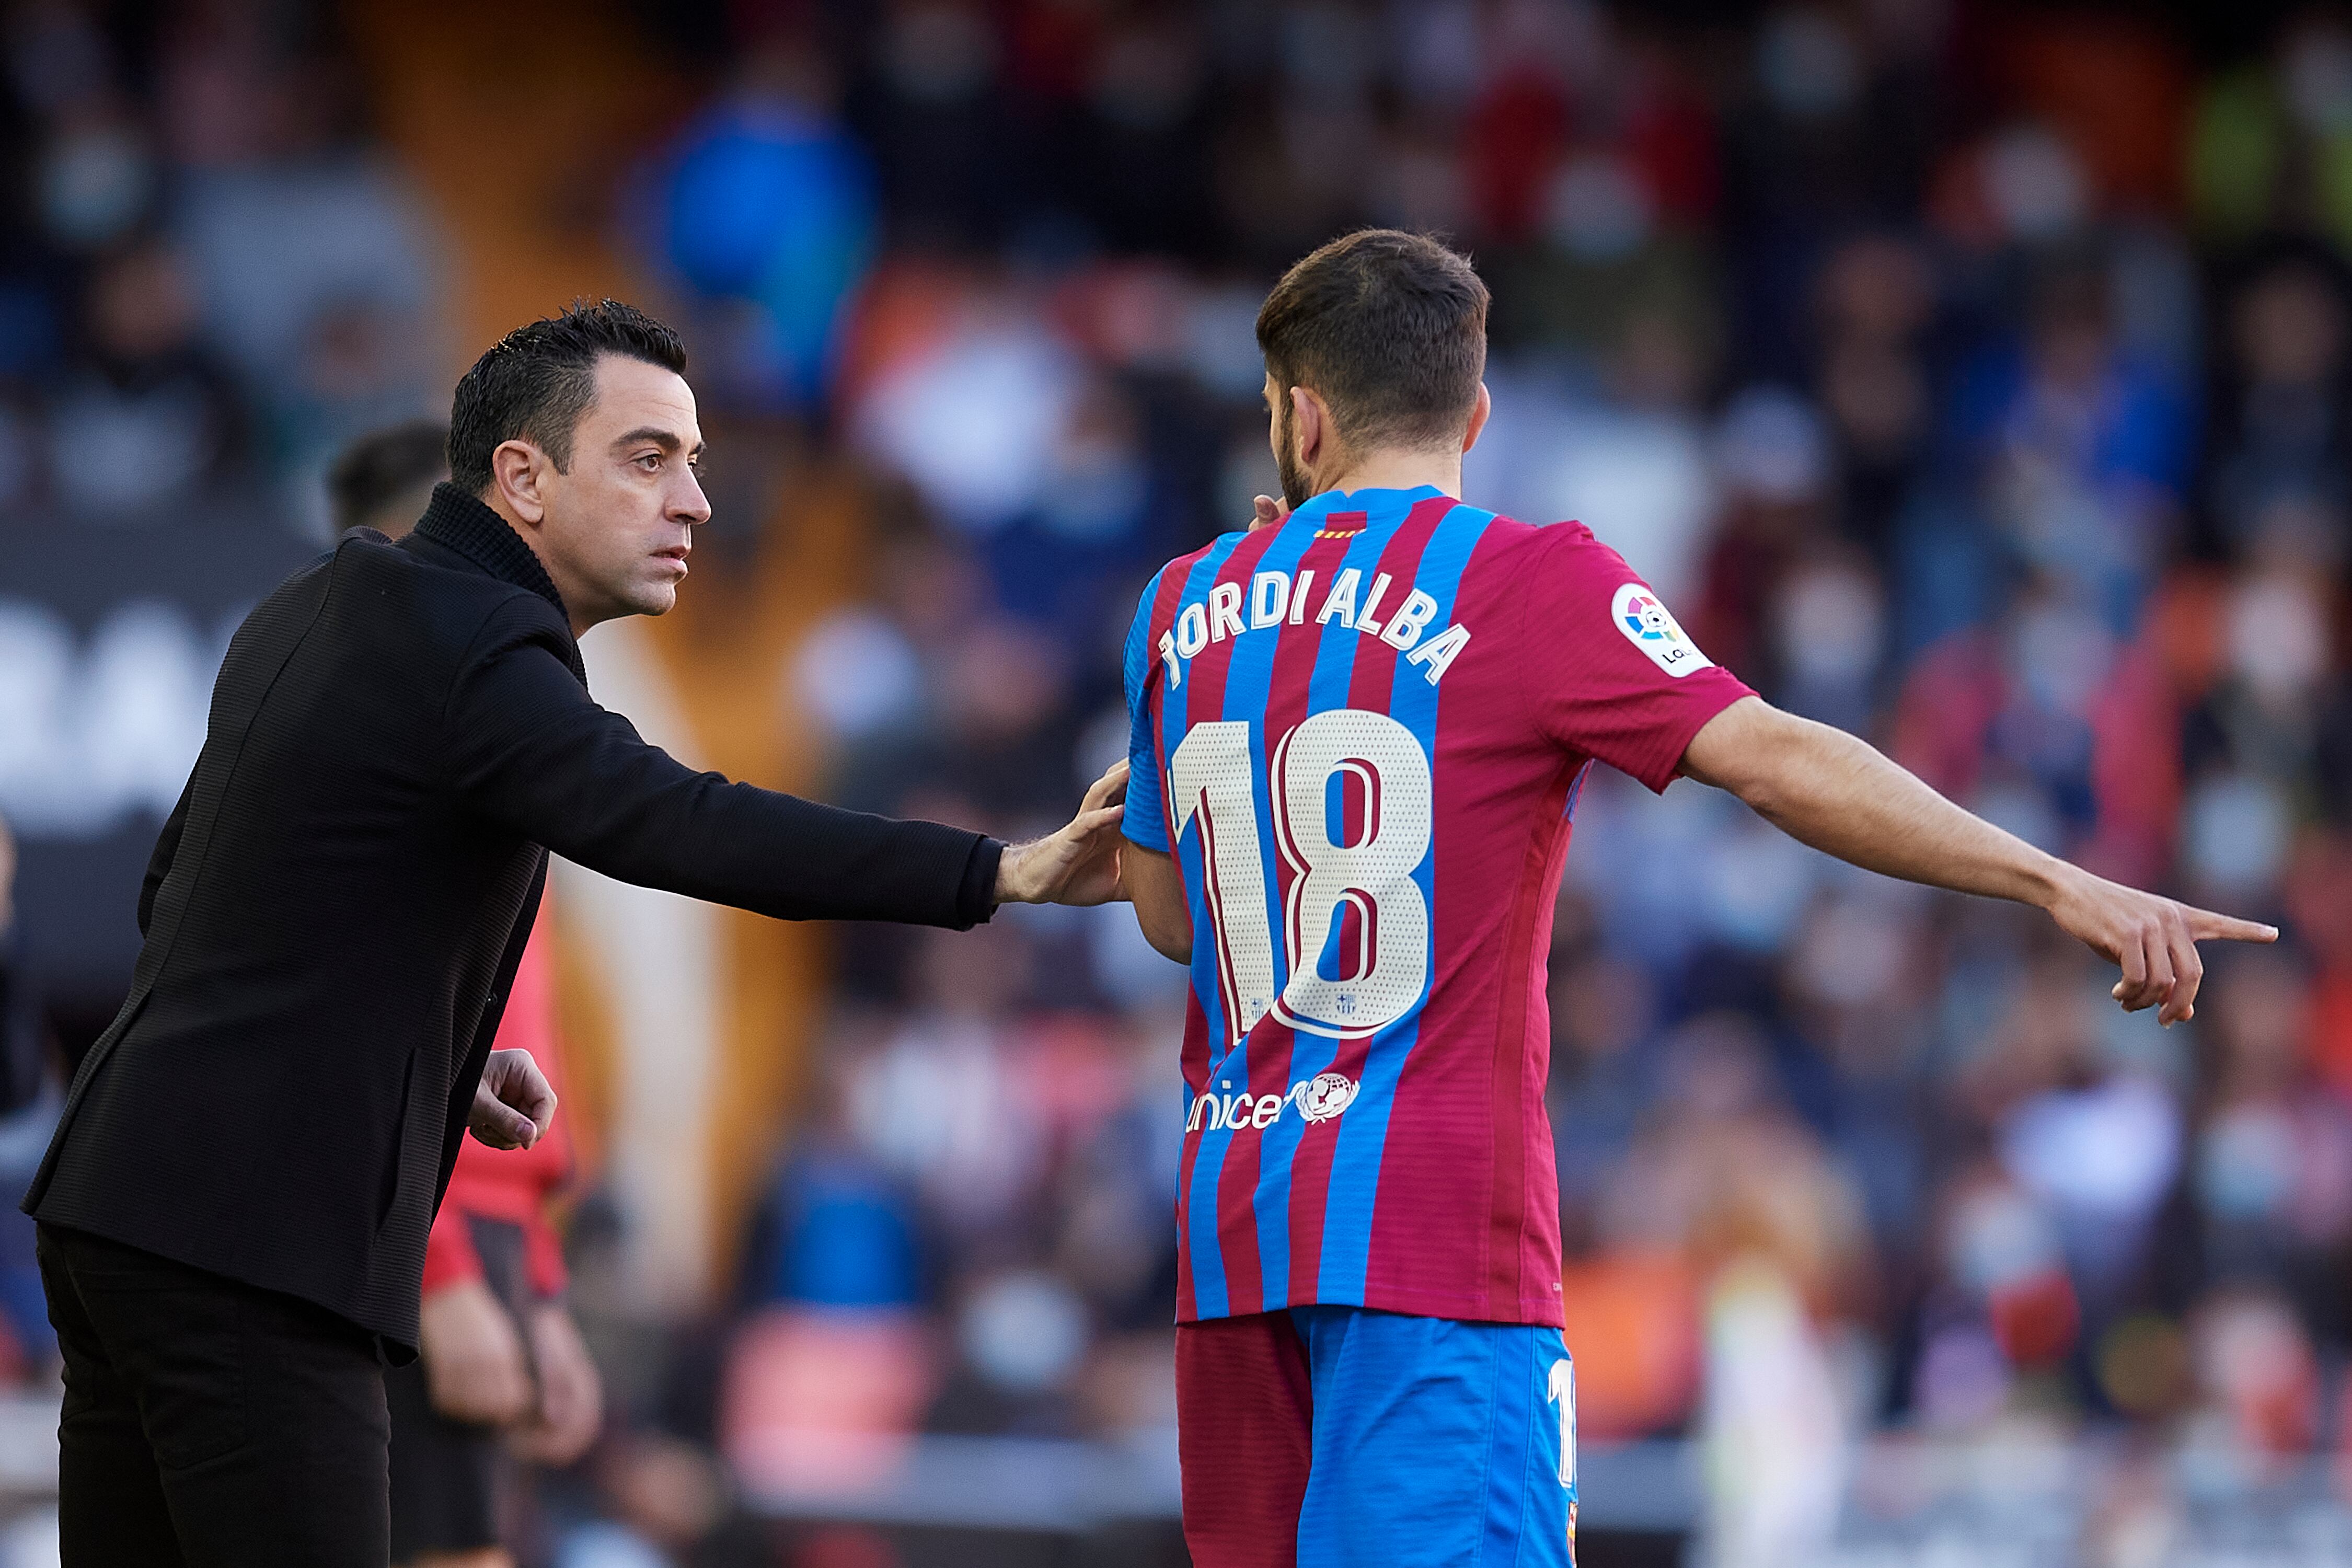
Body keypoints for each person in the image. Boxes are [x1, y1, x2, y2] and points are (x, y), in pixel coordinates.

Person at [1114, 230, 2276, 1568]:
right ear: (1475, 413)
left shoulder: (1179, 604)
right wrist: (2053, 878)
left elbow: (1169, 917)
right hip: (1434, 1250)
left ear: (1300, 416)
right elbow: (1777, 760)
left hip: (1238, 1240)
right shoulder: (1527, 582)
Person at [28, 299, 1127, 1568]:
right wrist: (1002, 870)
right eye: (649, 458)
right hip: (256, 1247)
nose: (697, 502)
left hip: (118, 1205)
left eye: (696, 461)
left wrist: (432, 1036)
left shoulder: (323, 600)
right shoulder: (482, 647)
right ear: (523, 478)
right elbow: (688, 827)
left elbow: (192, 894)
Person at [329, 420, 600, 1568]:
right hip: (404, 1230)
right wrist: (437, 1276)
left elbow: (502, 1041)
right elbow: (356, 1038)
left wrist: (535, 1285)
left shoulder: (483, 746)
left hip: (479, 1235)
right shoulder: (360, 754)